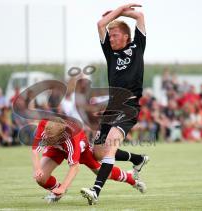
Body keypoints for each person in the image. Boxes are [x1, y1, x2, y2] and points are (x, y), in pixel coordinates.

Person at [80, 3, 149, 204]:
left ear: (126, 37)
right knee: (98, 152)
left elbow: (140, 16)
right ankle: (137, 159)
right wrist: (113, 15)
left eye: (115, 35)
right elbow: (100, 24)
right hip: (112, 107)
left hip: (129, 106)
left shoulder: (137, 47)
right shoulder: (110, 53)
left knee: (109, 147)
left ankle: (95, 191)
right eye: (110, 36)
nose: (111, 39)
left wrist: (122, 9)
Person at [31, 117, 146, 204]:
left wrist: (63, 187)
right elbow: (35, 150)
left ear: (60, 136)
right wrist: (37, 169)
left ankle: (131, 179)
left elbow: (74, 167)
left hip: (82, 152)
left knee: (105, 173)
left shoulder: (71, 140)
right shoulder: (45, 126)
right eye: (45, 134)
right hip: (56, 149)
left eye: (50, 138)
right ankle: (57, 192)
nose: (45, 138)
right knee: (40, 178)